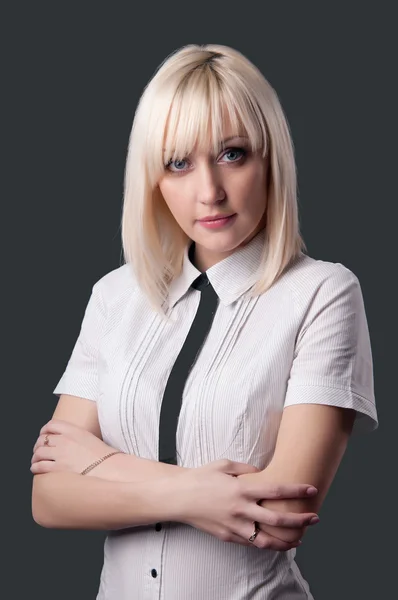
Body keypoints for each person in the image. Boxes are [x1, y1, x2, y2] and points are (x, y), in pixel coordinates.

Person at [30, 43, 378, 599]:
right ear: (154, 179)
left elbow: (281, 513)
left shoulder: (322, 293)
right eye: (178, 163)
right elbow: (48, 499)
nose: (209, 190)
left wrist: (99, 463)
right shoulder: (114, 296)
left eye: (233, 154)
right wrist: (197, 495)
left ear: (271, 159)